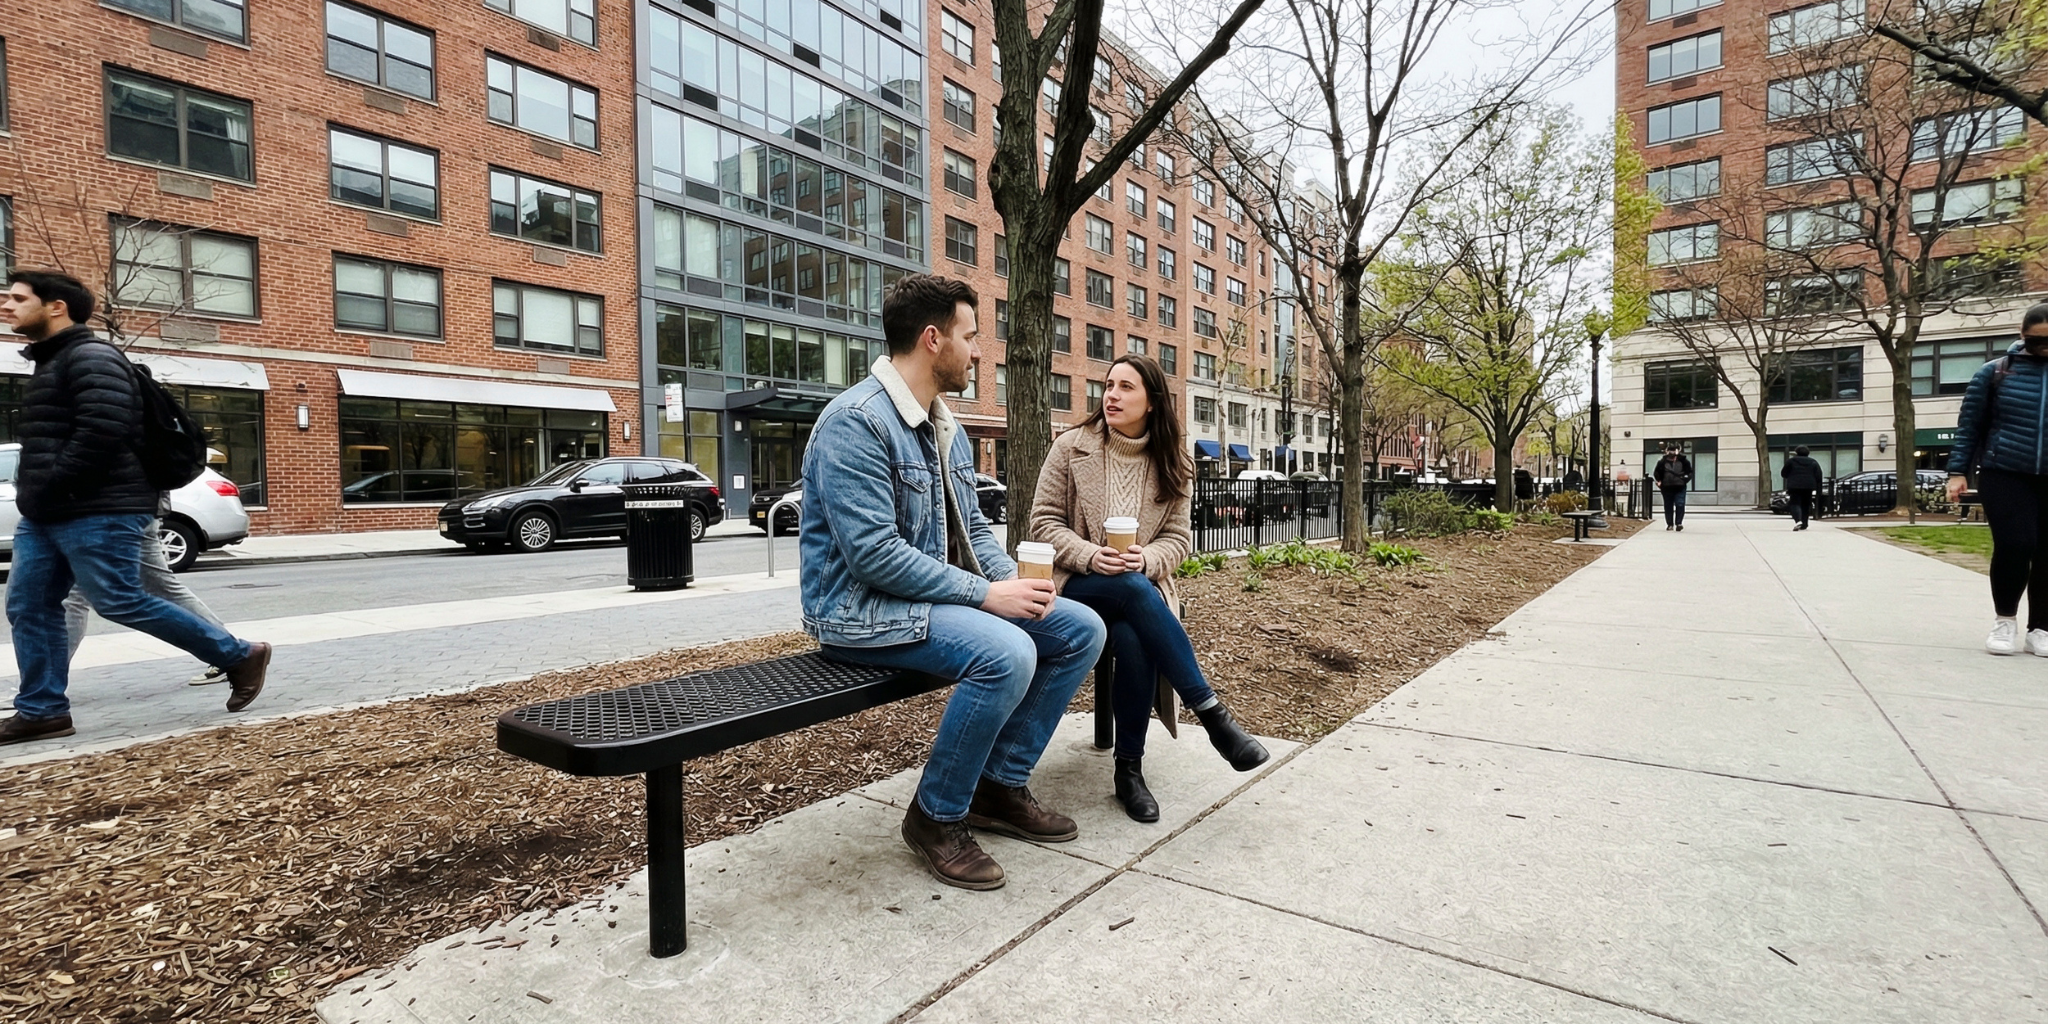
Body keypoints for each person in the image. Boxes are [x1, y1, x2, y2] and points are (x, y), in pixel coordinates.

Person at [800, 273, 1106, 890]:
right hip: (857, 609)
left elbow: (972, 535)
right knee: (1007, 652)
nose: (977, 353)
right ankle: (935, 815)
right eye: (970, 337)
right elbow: (874, 557)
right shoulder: (855, 423)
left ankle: (997, 785)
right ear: (932, 339)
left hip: (927, 603)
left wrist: (1016, 584)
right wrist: (988, 596)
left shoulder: (947, 428)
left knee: (1079, 628)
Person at [0, 271, 271, 746]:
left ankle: (238, 654)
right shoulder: (53, 359)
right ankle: (42, 710)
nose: (7, 305)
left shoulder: (91, 357)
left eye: (19, 298)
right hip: (49, 512)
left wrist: (52, 486)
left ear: (57, 307)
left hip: (98, 508)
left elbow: (102, 432)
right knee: (29, 605)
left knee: (120, 599)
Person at [1029, 355, 1269, 823]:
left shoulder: (1173, 462)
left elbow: (1177, 539)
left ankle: (1129, 772)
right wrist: (1089, 555)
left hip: (1134, 590)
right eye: (1109, 385)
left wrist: (1148, 558)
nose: (1112, 395)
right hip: (1075, 584)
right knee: (1136, 591)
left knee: (1135, 632)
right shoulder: (1071, 447)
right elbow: (1043, 522)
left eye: (1126, 387)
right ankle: (1212, 714)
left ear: (1152, 401)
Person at [1946, 302, 2048, 656]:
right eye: (2036, 341)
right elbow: (1969, 426)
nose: (2044, 348)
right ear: (2022, 335)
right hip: (2004, 472)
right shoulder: (1995, 372)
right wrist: (1957, 472)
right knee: (2015, 545)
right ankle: (2005, 620)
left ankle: (2041, 628)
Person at [63, 499, 228, 681]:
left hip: (120, 513)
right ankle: (47, 682)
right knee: (73, 596)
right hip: (113, 511)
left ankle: (232, 653)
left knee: (159, 588)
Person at [1781, 445, 1824, 531]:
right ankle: (1804, 523)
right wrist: (1818, 488)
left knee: (1794, 503)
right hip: (1808, 486)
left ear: (1796, 452)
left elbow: (1784, 473)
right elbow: (1818, 475)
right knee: (1806, 504)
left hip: (1794, 486)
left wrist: (1790, 476)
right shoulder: (1813, 462)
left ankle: (1798, 520)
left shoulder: (1791, 461)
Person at [1654, 445, 1693, 531]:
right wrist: (1659, 480)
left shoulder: (1683, 461)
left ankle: (1679, 523)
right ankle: (1670, 524)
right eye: (1670, 450)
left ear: (1677, 451)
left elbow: (1690, 472)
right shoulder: (1662, 462)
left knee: (1680, 504)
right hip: (1666, 487)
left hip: (1680, 486)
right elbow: (1657, 472)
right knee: (1668, 506)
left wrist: (1684, 480)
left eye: (1673, 450)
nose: (1671, 452)